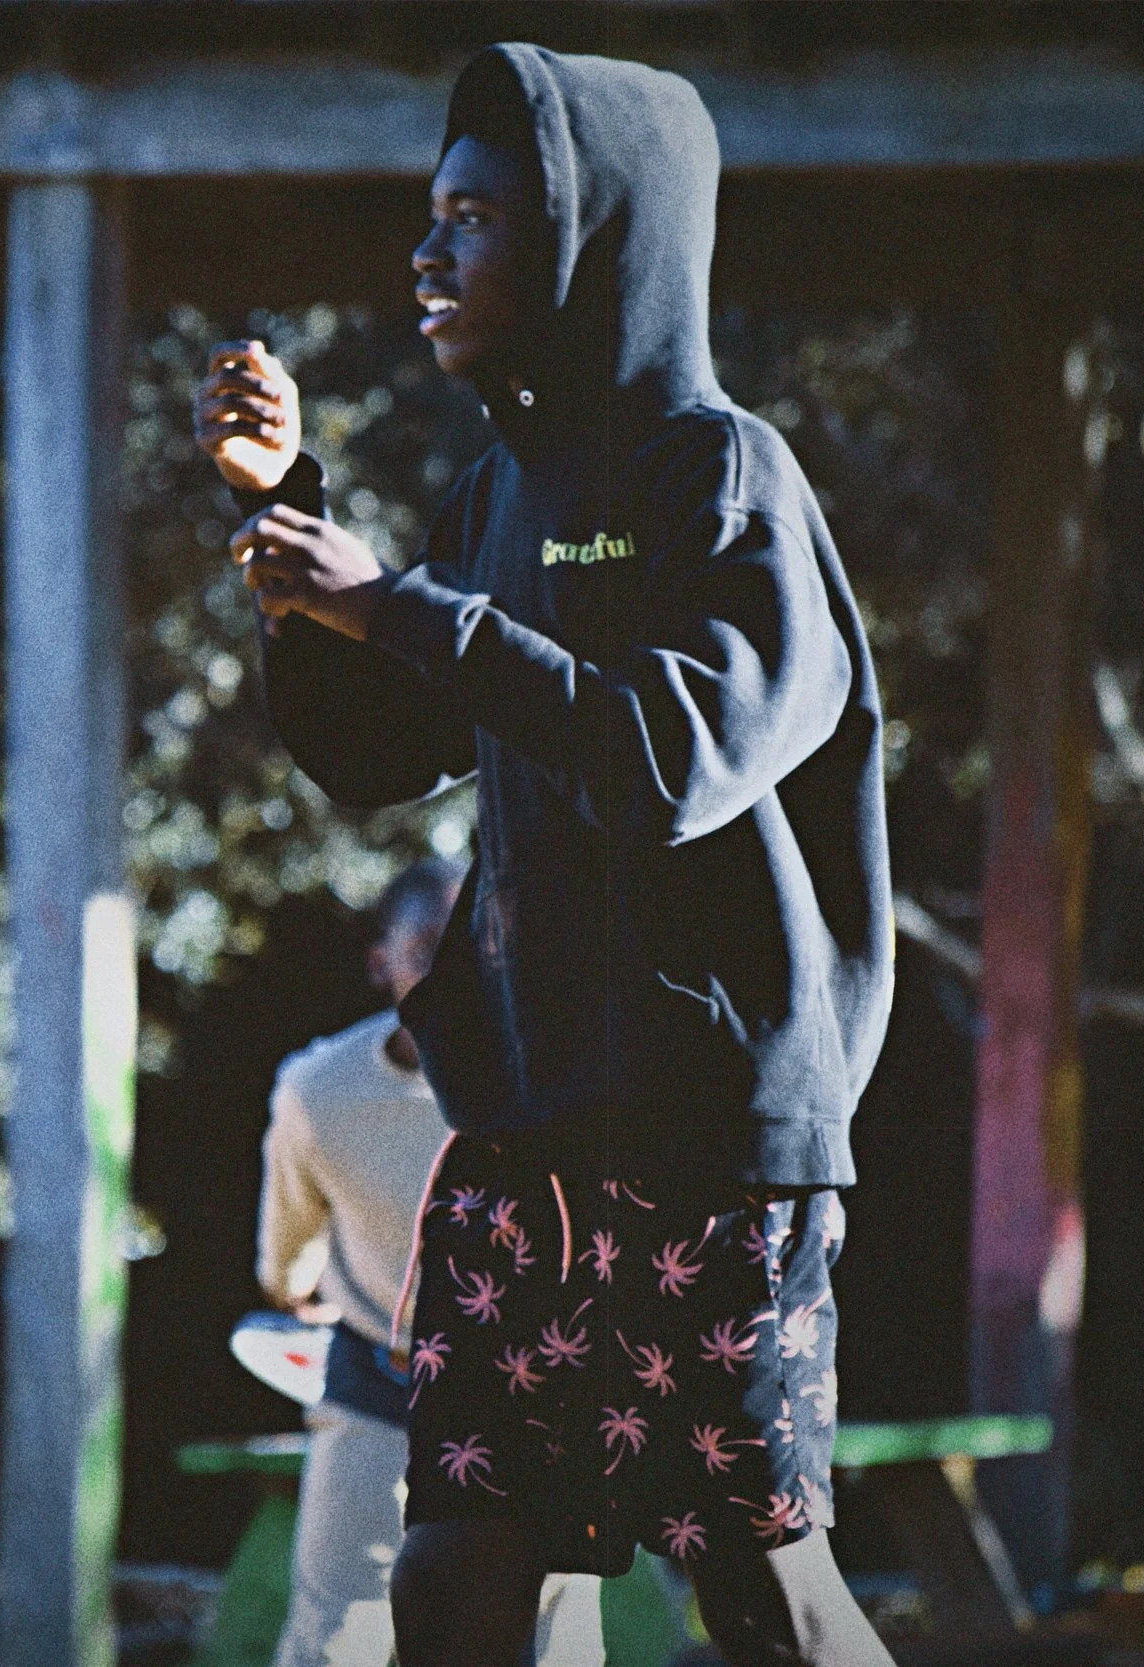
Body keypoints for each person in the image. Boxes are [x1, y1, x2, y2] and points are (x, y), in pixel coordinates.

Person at [194, 44, 897, 1667]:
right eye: (427, 218)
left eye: (475, 219)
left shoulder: (725, 480)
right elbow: (382, 749)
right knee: (446, 1580)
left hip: (717, 1138)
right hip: (528, 1132)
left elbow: (671, 759)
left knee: (759, 1593)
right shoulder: (501, 491)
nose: (428, 257)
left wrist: (388, 600)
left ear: (594, 237)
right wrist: (301, 531)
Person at [259, 858, 602, 1666]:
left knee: (554, 1638)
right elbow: (287, 1256)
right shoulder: (319, 1092)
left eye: (476, 944)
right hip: (386, 1384)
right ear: (381, 961)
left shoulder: (558, 1078)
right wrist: (294, 1292)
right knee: (339, 1636)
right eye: (425, 947)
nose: (455, 970)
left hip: (535, 1393)